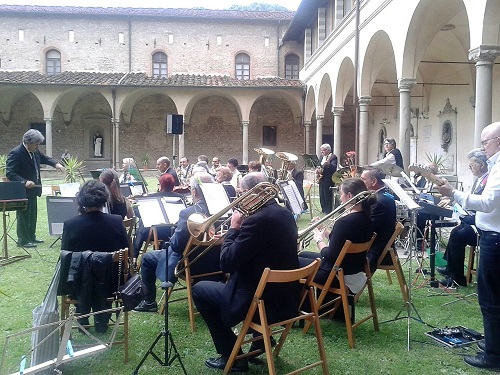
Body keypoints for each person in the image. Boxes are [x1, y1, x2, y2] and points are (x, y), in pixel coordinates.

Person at [192, 172, 299, 372]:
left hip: (258, 301)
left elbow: (226, 263)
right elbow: (264, 248)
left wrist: (233, 230)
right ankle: (259, 342)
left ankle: (233, 356)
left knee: (199, 289)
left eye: (241, 192)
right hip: (286, 297)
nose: (238, 197)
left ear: (252, 192)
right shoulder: (284, 213)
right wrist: (239, 235)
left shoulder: (256, 221)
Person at [436, 122, 500, 370]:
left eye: (486, 141)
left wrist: (454, 193)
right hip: (491, 234)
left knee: (490, 298)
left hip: (495, 237)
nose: (483, 147)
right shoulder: (494, 166)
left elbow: (488, 203)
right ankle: (494, 343)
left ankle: (493, 355)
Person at [135, 172, 214, 313]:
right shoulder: (224, 209)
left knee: (147, 258)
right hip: (215, 265)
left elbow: (177, 246)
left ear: (194, 191)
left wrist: (174, 234)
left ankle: (149, 302)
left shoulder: (188, 213)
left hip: (189, 264)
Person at [61, 180, 129, 333]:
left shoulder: (70, 224)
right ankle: (102, 319)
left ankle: (82, 318)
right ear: (105, 198)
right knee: (107, 272)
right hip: (111, 283)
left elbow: (65, 256)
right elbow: (126, 253)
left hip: (78, 283)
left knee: (78, 271)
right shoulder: (117, 221)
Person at [299, 178, 375, 291]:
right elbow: (342, 242)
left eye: (341, 194)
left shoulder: (344, 222)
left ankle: (304, 305)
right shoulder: (367, 219)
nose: (340, 198)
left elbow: (329, 256)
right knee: (303, 254)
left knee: (294, 262)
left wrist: (319, 240)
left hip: (335, 274)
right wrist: (324, 232)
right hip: (352, 268)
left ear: (349, 196)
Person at [437, 149, 489, 288]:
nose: (470, 168)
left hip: (485, 226)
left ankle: (457, 278)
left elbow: (482, 204)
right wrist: (453, 200)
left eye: (471, 165)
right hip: (476, 220)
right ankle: (451, 269)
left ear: (482, 165)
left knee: (458, 234)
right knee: (457, 231)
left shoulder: (488, 180)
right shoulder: (479, 180)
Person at [6, 129, 65, 247]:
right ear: (27, 142)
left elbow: (45, 158)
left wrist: (56, 164)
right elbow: (10, 173)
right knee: (23, 215)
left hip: (34, 189)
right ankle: (23, 240)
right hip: (23, 190)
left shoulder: (34, 151)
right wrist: (24, 182)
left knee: (32, 214)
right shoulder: (16, 153)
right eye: (36, 144)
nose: (37, 146)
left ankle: (31, 236)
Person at [132, 173, 184, 259]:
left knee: (142, 225)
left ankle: (134, 255)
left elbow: (140, 213)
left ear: (161, 186)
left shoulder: (152, 197)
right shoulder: (180, 197)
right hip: (173, 232)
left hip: (155, 232)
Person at [360, 167, 397, 274]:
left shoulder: (378, 201)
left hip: (377, 250)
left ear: (374, 181)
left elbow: (369, 229)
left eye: (363, 179)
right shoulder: (386, 195)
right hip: (383, 243)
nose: (360, 182)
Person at [317, 143, 337, 214]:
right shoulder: (321, 157)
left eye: (323, 151)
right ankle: (323, 209)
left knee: (327, 194)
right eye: (321, 151)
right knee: (321, 194)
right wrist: (318, 170)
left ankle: (328, 210)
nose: (322, 152)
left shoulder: (333, 157)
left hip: (328, 179)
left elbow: (334, 168)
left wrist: (329, 164)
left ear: (328, 150)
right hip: (321, 178)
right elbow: (319, 165)